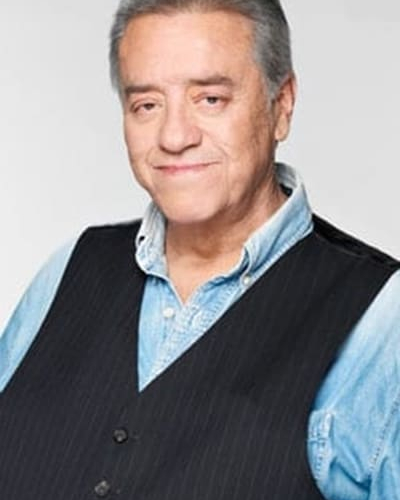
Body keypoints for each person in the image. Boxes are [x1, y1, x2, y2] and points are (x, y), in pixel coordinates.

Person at [0, 0, 399, 498]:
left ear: (282, 105)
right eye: (147, 105)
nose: (174, 136)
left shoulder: (382, 319)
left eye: (210, 99)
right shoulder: (70, 268)